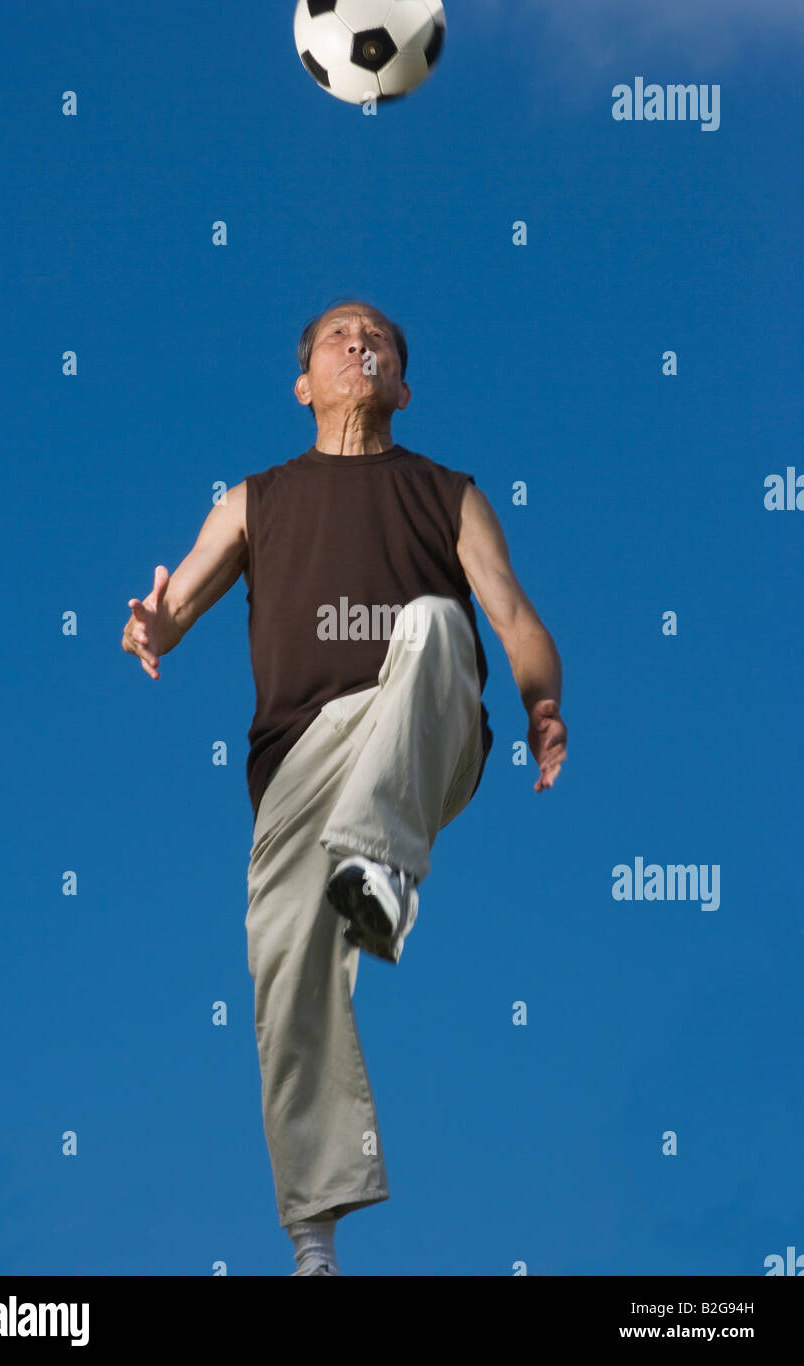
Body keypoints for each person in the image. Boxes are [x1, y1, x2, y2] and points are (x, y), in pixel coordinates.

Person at [121, 298, 567, 1275]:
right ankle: (314, 1236)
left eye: (377, 340)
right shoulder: (254, 497)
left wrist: (540, 706)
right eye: (336, 336)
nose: (356, 343)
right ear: (304, 383)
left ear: (401, 387)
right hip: (299, 760)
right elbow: (186, 590)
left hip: (424, 719)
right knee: (285, 959)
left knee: (433, 632)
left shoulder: (449, 492)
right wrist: (153, 626)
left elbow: (512, 616)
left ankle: (375, 864)